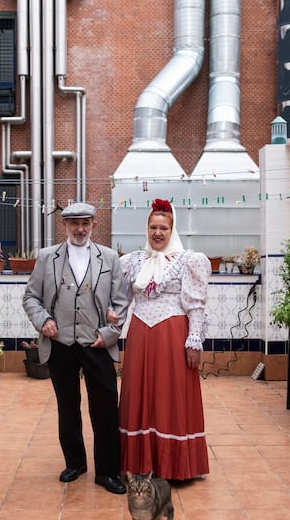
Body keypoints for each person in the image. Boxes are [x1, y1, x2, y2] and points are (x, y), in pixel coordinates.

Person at [22, 202, 129, 494]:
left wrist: (109, 333)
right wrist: (43, 320)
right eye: (74, 224)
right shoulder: (47, 257)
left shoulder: (108, 257)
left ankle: (107, 472)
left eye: (85, 223)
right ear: (65, 226)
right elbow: (30, 297)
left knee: (106, 408)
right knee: (68, 406)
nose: (80, 229)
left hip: (96, 343)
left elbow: (121, 301)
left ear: (94, 224)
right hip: (61, 344)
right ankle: (75, 462)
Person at [119, 198, 211, 481]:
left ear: (173, 231)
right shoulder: (132, 261)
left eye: (164, 228)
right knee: (139, 393)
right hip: (139, 335)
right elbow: (120, 300)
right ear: (146, 229)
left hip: (172, 336)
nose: (157, 233)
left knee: (169, 394)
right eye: (153, 227)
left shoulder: (188, 261)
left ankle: (174, 465)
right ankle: (141, 462)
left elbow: (196, 304)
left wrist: (193, 340)